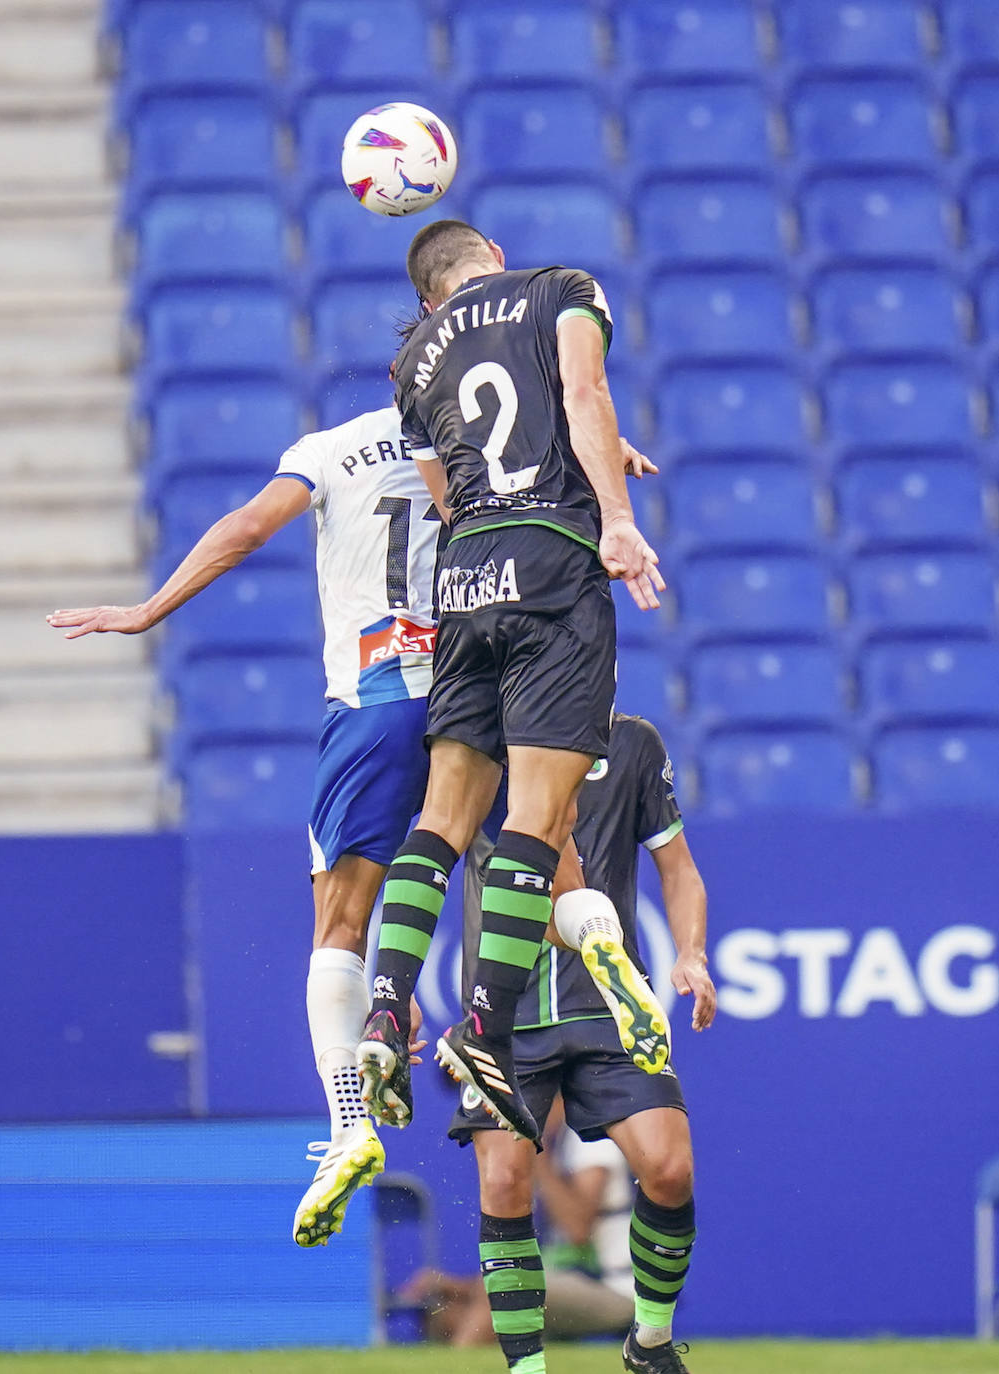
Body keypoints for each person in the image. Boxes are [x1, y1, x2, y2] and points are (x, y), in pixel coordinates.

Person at [46, 399, 440, 1248]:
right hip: (476, 692)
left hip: (376, 696)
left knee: (338, 923)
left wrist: (153, 607)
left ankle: (347, 1121)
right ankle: (469, 1027)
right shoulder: (479, 433)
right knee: (508, 858)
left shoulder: (331, 447)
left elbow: (249, 529)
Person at [357, 220, 668, 1144]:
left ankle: (385, 1007)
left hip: (465, 579)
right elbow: (581, 389)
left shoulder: (412, 359)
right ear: (490, 250)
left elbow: (451, 489)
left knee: (442, 818)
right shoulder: (558, 285)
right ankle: (485, 1031)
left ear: (428, 293)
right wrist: (612, 511)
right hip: (551, 567)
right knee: (535, 819)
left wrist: (593, 454)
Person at [449, 712, 716, 1374]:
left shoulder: (631, 744)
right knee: (505, 1181)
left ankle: (649, 1341)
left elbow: (677, 868)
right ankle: (526, 1370)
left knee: (669, 1167)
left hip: (609, 1011)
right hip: (501, 1011)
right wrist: (394, 998)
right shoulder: (475, 738)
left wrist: (691, 954)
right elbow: (423, 857)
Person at [402, 1095, 636, 1347]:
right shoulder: (555, 1144)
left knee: (505, 1287)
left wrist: (536, 1156)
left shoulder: (590, 1138)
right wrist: (456, 1286)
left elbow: (577, 1230)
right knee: (446, 1309)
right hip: (568, 1280)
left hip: (615, 1288)